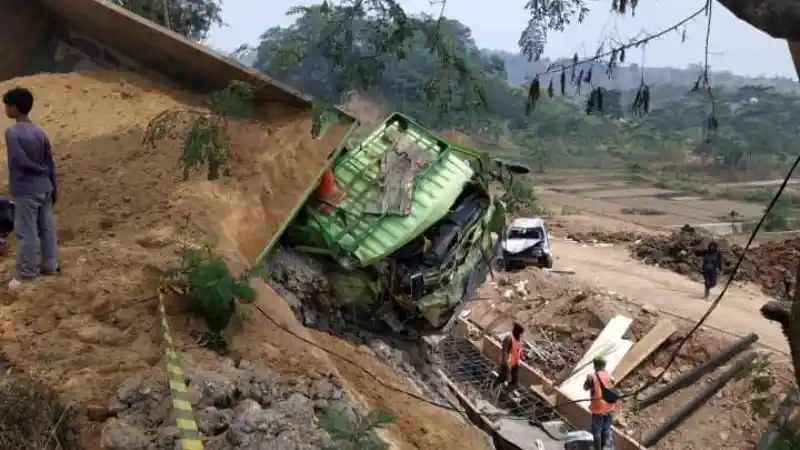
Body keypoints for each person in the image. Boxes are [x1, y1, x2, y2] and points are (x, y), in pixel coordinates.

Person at [3, 87, 58, 291]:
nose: (5, 109)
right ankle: (50, 267)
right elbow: (50, 162)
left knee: (26, 231)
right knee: (47, 228)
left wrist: (35, 169)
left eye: (7, 106)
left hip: (26, 187)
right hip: (45, 186)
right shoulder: (39, 132)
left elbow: (18, 159)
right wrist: (53, 186)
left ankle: (26, 274)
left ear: (14, 108)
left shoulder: (12, 132)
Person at [584, 357, 615, 450]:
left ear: (595, 365)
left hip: (598, 408)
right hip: (610, 407)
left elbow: (585, 387)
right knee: (606, 429)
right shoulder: (610, 376)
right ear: (604, 365)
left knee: (597, 431)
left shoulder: (592, 376)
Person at [494, 322, 524, 394]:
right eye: (519, 332)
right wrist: (506, 364)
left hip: (515, 363)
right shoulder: (509, 338)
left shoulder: (519, 339)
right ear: (515, 330)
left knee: (515, 381)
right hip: (507, 362)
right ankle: (494, 386)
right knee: (504, 377)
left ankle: (504, 392)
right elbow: (504, 351)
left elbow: (519, 350)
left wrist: (521, 357)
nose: (520, 334)